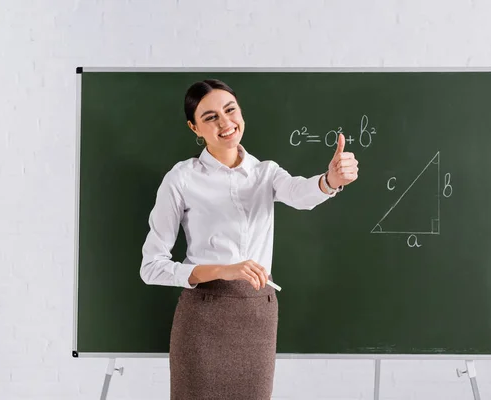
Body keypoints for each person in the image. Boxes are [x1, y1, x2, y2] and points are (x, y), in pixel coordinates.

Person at [139, 79, 359, 399]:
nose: (225, 122)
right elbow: (151, 266)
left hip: (257, 315)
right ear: (194, 128)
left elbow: (301, 193)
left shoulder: (266, 173)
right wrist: (221, 270)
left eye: (230, 110)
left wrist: (330, 181)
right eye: (211, 117)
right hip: (202, 316)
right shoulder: (181, 179)